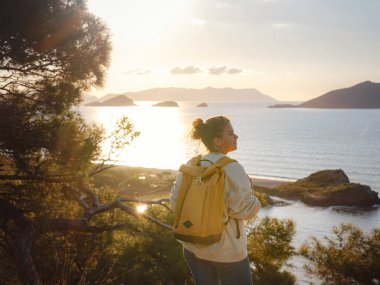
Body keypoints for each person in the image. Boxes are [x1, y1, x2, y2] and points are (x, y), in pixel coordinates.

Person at [170, 116, 261, 285]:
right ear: (217, 141)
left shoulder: (192, 164)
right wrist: (255, 197)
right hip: (227, 253)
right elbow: (246, 211)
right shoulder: (232, 167)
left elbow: (175, 202)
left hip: (192, 247)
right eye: (231, 133)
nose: (236, 137)